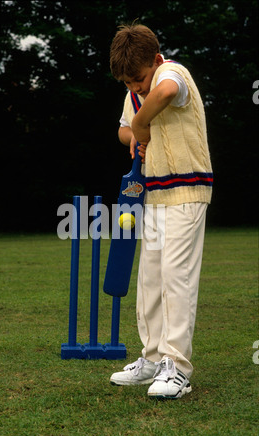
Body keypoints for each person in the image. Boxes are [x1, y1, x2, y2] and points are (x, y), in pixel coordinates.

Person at [109, 24, 213, 399]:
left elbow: (165, 91)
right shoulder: (133, 92)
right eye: (127, 83)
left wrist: (141, 122)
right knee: (150, 278)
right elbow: (124, 129)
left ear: (155, 60)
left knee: (175, 276)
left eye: (138, 79)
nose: (135, 88)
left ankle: (177, 367)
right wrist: (134, 132)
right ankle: (152, 359)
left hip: (187, 189)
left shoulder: (172, 73)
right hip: (152, 194)